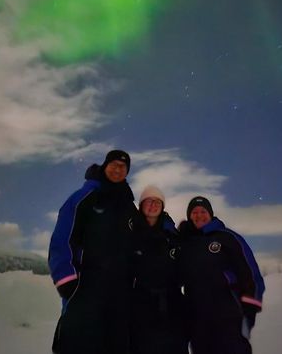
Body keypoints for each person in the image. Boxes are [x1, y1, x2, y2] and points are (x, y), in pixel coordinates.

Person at [48, 150, 138, 354]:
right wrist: (67, 280)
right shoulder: (83, 198)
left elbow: (142, 241)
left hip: (119, 293)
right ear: (105, 166)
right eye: (113, 164)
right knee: (79, 343)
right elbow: (62, 239)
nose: (117, 169)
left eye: (123, 166)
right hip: (85, 288)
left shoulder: (129, 208)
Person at [178, 196, 265, 354]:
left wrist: (250, 309)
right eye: (194, 212)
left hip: (228, 315)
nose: (199, 215)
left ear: (211, 214)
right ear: (189, 216)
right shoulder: (185, 244)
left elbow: (250, 272)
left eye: (203, 211)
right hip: (198, 318)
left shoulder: (227, 237)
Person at [130, 185, 188, 354]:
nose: (153, 204)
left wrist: (190, 237)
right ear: (141, 205)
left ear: (162, 206)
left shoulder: (173, 236)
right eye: (148, 201)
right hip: (140, 306)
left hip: (172, 306)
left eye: (157, 202)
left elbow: (187, 266)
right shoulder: (130, 233)